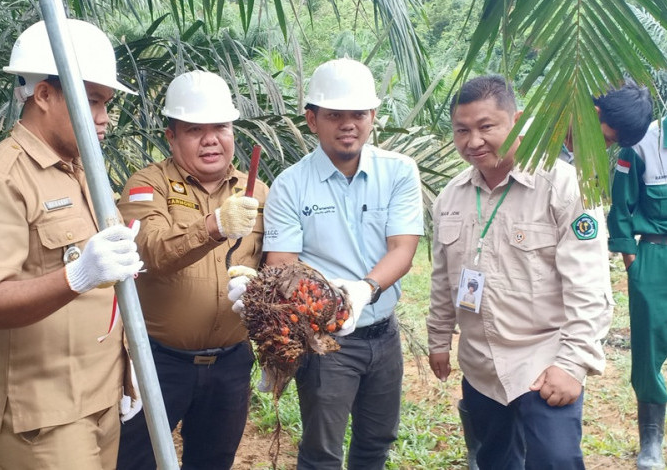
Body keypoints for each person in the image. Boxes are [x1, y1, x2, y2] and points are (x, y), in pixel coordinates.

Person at [0, 19, 142, 469]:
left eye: (107, 104)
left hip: (98, 396)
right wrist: (79, 275)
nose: (103, 118)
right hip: (42, 415)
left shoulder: (82, 171)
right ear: (43, 95)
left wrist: (127, 374)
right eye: (93, 101)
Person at [427, 74, 614, 469]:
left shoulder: (565, 187)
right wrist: (439, 338)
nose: (472, 141)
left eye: (486, 127)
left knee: (556, 461)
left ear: (518, 120)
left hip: (543, 361)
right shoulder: (450, 197)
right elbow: (443, 278)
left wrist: (572, 364)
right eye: (462, 130)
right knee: (494, 460)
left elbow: (589, 287)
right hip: (480, 365)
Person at [259, 58, 424, 469]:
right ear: (312, 120)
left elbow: (403, 249)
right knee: (322, 449)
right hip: (324, 341)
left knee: (377, 440)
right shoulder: (290, 185)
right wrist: (334, 302)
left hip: (384, 335)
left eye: (358, 114)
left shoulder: (399, 172)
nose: (348, 124)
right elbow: (282, 267)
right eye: (335, 115)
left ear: (373, 117)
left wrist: (363, 290)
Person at [115, 69, 268, 470]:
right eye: (194, 129)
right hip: (160, 363)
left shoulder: (257, 191)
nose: (210, 139)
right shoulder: (147, 186)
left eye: (220, 126)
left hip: (231, 363)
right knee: (138, 461)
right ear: (171, 136)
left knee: (213, 461)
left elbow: (277, 263)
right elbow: (150, 252)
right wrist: (214, 225)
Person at [607, 113, 667, 469]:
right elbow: (622, 204)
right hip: (655, 256)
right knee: (648, 348)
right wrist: (633, 260)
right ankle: (651, 441)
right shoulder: (642, 142)